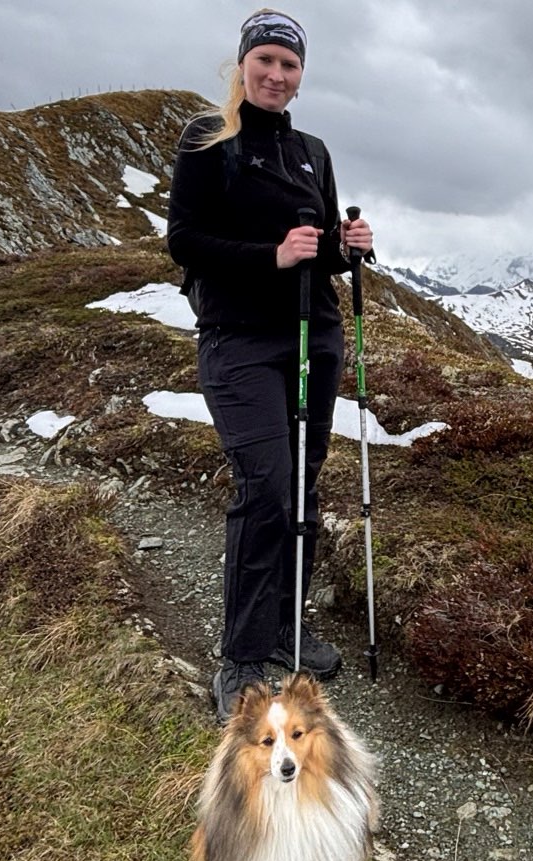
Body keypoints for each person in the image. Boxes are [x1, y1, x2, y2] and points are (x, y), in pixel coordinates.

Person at [166, 8, 374, 724]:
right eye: (266, 61)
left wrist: (351, 247)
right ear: (243, 64)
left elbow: (321, 254)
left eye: (290, 65)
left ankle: (287, 624)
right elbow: (186, 240)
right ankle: (243, 656)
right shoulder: (208, 140)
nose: (277, 75)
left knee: (303, 486)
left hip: (312, 336)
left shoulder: (312, 151)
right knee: (266, 486)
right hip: (239, 340)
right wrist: (270, 257)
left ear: (301, 74)